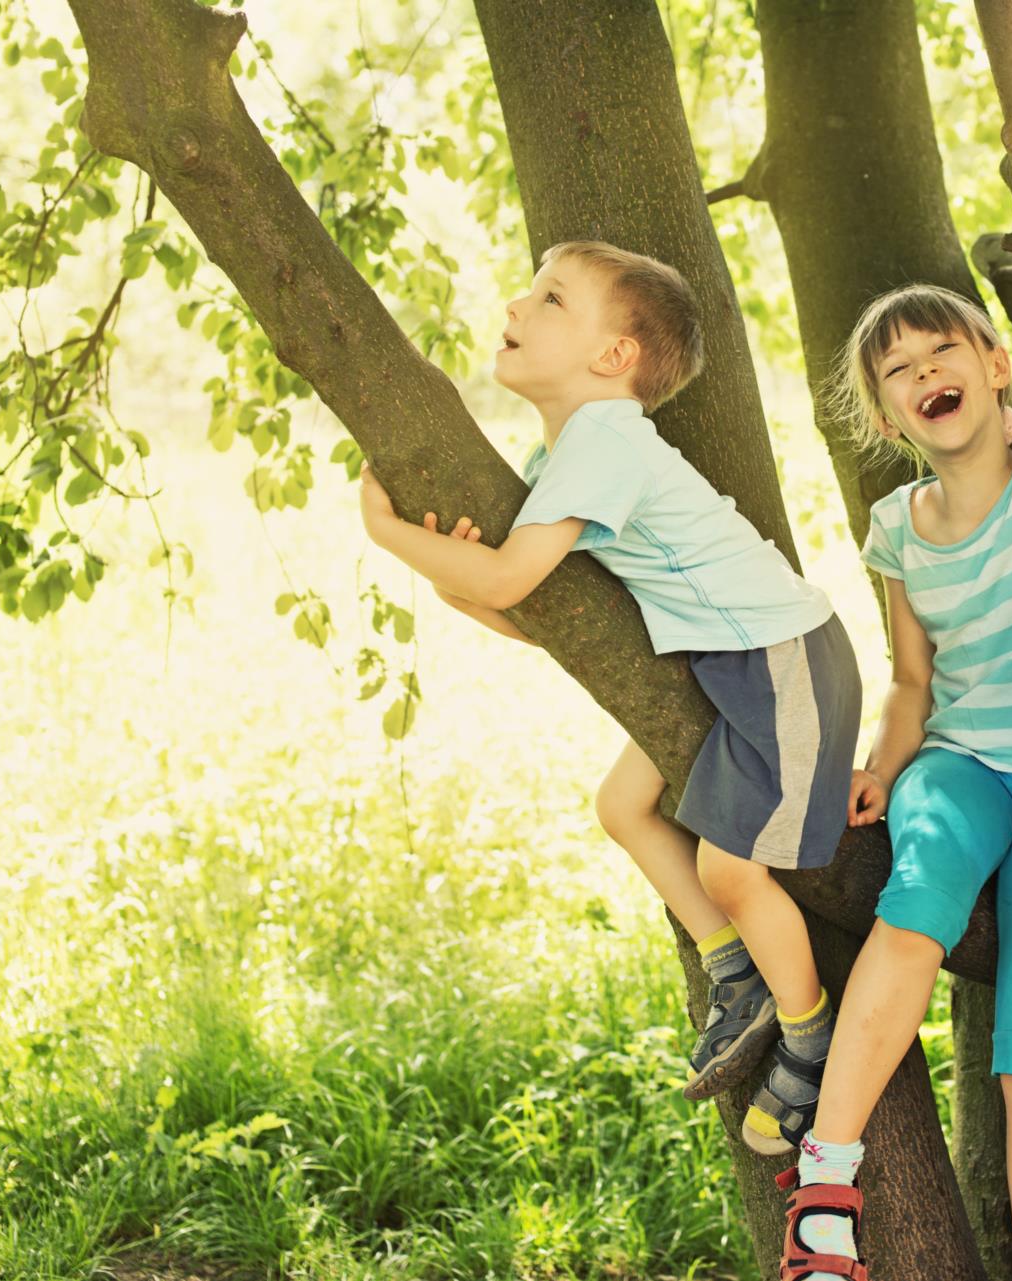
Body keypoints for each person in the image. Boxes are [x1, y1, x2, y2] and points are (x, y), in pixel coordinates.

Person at [358, 240, 860, 1155]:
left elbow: (516, 576)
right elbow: (568, 624)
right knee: (622, 803)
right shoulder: (570, 452)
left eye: (550, 298)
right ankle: (733, 968)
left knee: (731, 869)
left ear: (613, 357)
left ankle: (812, 1034)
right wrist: (460, 590)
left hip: (782, 660)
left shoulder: (604, 438)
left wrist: (391, 537)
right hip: (720, 663)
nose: (517, 302)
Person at [777, 101, 1012, 1281]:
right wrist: (883, 761)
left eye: (945, 353)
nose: (927, 373)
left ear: (994, 366)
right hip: (963, 766)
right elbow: (914, 680)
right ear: (884, 417)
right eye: (900, 372)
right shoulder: (897, 532)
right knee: (916, 901)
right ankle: (824, 1183)